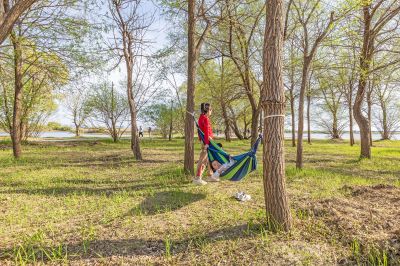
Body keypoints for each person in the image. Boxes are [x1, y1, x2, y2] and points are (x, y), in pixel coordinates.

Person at [193, 103, 219, 185]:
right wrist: (206, 143)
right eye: (211, 110)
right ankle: (197, 178)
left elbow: (199, 130)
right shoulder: (205, 118)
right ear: (207, 110)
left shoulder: (201, 118)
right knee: (203, 160)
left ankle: (210, 175)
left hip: (205, 141)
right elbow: (206, 132)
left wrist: (201, 140)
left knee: (208, 159)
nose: (211, 111)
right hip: (207, 142)